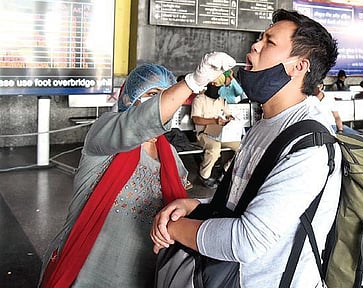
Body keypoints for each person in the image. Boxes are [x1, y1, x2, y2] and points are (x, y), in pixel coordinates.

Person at [151, 9, 342, 288]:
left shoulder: (308, 144)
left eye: (269, 42)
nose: (255, 46)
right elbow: (245, 203)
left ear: (299, 66)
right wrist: (196, 205)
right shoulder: (267, 122)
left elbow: (246, 240)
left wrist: (174, 229)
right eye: (259, 39)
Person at [39, 52, 236, 287]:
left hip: (142, 275)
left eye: (167, 97)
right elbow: (136, 124)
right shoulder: (105, 135)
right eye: (153, 97)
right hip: (85, 275)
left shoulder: (172, 159)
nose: (165, 105)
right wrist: (192, 83)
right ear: (129, 99)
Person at [191, 76, 241, 189]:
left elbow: (228, 114)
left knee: (241, 147)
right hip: (204, 134)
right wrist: (214, 121)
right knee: (214, 149)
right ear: (210, 84)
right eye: (216, 85)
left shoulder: (221, 100)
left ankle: (225, 170)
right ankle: (204, 175)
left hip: (221, 133)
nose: (218, 88)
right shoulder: (199, 100)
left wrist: (230, 118)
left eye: (220, 85)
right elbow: (196, 119)